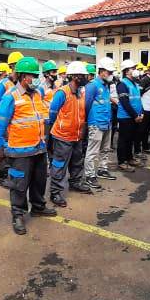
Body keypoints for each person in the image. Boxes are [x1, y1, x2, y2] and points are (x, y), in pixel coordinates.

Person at [0, 56, 57, 235]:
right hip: (19, 151)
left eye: (36, 75)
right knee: (19, 185)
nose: (35, 79)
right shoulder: (10, 97)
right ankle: (18, 214)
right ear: (21, 76)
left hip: (38, 148)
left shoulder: (37, 94)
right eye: (31, 75)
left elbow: (42, 117)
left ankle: (37, 206)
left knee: (39, 181)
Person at [46, 61, 92, 207]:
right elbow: (52, 113)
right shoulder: (62, 92)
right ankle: (55, 192)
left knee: (77, 161)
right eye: (83, 76)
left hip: (77, 135)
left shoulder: (81, 92)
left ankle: (75, 182)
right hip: (63, 136)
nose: (86, 78)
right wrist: (57, 129)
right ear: (75, 77)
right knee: (59, 164)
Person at [84, 57, 118, 189]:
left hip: (106, 122)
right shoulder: (92, 86)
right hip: (96, 123)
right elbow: (86, 105)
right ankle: (89, 176)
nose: (111, 75)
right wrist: (88, 121)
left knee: (105, 149)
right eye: (109, 72)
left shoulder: (105, 86)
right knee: (92, 151)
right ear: (102, 71)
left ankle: (102, 169)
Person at [0, 55, 20, 187]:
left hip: (16, 125)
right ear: (12, 66)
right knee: (4, 149)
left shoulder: (19, 84)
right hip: (4, 122)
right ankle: (2, 177)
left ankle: (12, 175)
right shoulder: (3, 84)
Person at [115, 60, 144, 172]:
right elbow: (124, 102)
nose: (135, 70)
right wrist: (135, 115)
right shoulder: (122, 84)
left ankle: (130, 158)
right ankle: (122, 162)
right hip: (126, 117)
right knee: (124, 140)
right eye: (133, 68)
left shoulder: (135, 83)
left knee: (131, 139)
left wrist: (141, 113)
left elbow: (138, 100)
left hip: (135, 117)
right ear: (127, 71)